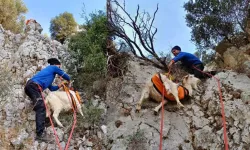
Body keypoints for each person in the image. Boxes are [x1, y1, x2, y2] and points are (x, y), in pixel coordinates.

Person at [24, 58, 70, 142]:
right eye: (59, 67)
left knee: (40, 105)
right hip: (34, 86)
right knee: (41, 107)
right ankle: (40, 134)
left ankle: (37, 106)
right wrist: (68, 80)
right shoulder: (53, 67)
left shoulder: (49, 75)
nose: (59, 69)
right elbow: (66, 76)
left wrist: (60, 86)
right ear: (56, 65)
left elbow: (52, 88)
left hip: (31, 87)